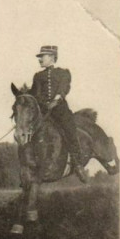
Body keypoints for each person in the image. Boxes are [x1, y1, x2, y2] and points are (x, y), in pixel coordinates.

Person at [29, 45, 87, 182]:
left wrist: (57, 99)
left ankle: (78, 165)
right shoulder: (38, 76)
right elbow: (35, 94)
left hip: (60, 110)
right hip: (43, 111)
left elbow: (64, 87)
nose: (40, 59)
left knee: (70, 131)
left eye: (42, 56)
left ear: (52, 57)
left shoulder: (63, 73)